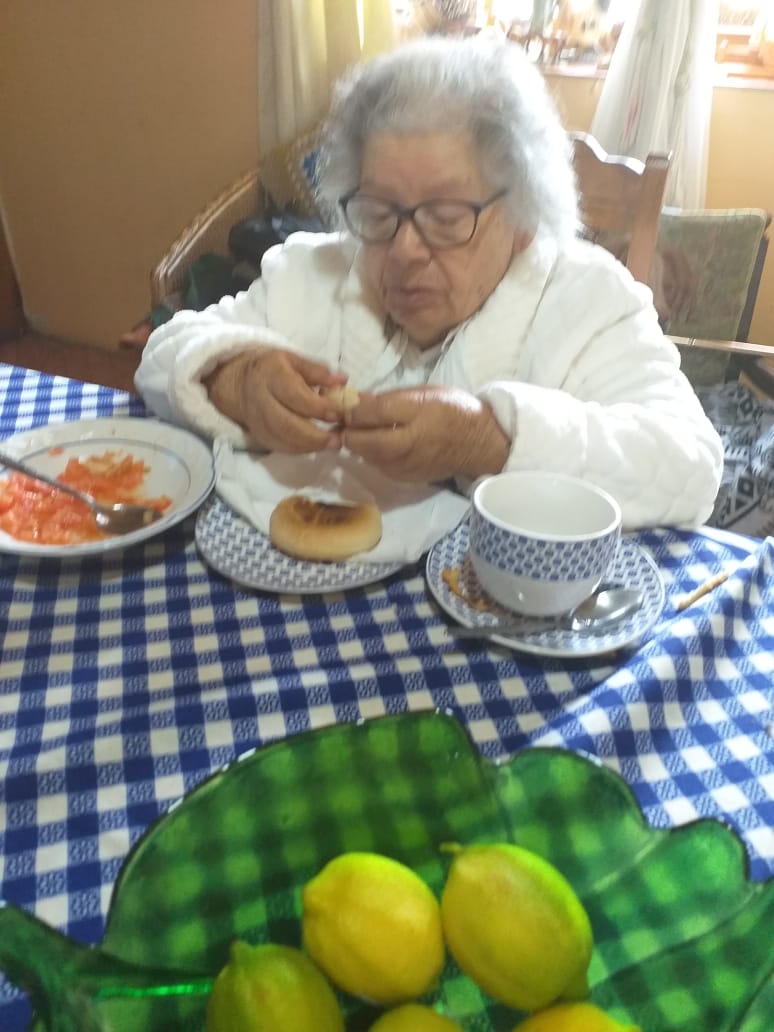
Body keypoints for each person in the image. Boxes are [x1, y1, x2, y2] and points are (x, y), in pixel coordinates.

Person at [135, 34, 723, 530]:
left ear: (523, 218)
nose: (404, 250)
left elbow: (691, 467)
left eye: (445, 218)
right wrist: (235, 380)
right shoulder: (313, 274)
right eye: (377, 211)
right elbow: (163, 355)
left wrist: (488, 440)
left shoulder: (590, 302)